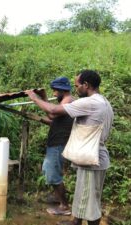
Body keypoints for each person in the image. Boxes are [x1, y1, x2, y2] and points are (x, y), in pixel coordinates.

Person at [26, 70, 114, 225]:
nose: (76, 89)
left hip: (91, 159)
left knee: (90, 205)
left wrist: (34, 98)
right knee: (84, 196)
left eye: (77, 85)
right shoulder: (104, 102)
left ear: (86, 85)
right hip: (93, 156)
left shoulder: (90, 102)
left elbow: (53, 111)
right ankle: (75, 222)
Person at [39, 77, 74, 216]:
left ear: (62, 90)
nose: (54, 94)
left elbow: (52, 112)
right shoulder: (65, 103)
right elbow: (53, 117)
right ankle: (58, 197)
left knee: (53, 174)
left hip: (59, 144)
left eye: (55, 91)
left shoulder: (69, 101)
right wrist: (44, 100)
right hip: (56, 143)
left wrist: (36, 98)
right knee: (50, 171)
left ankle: (64, 206)